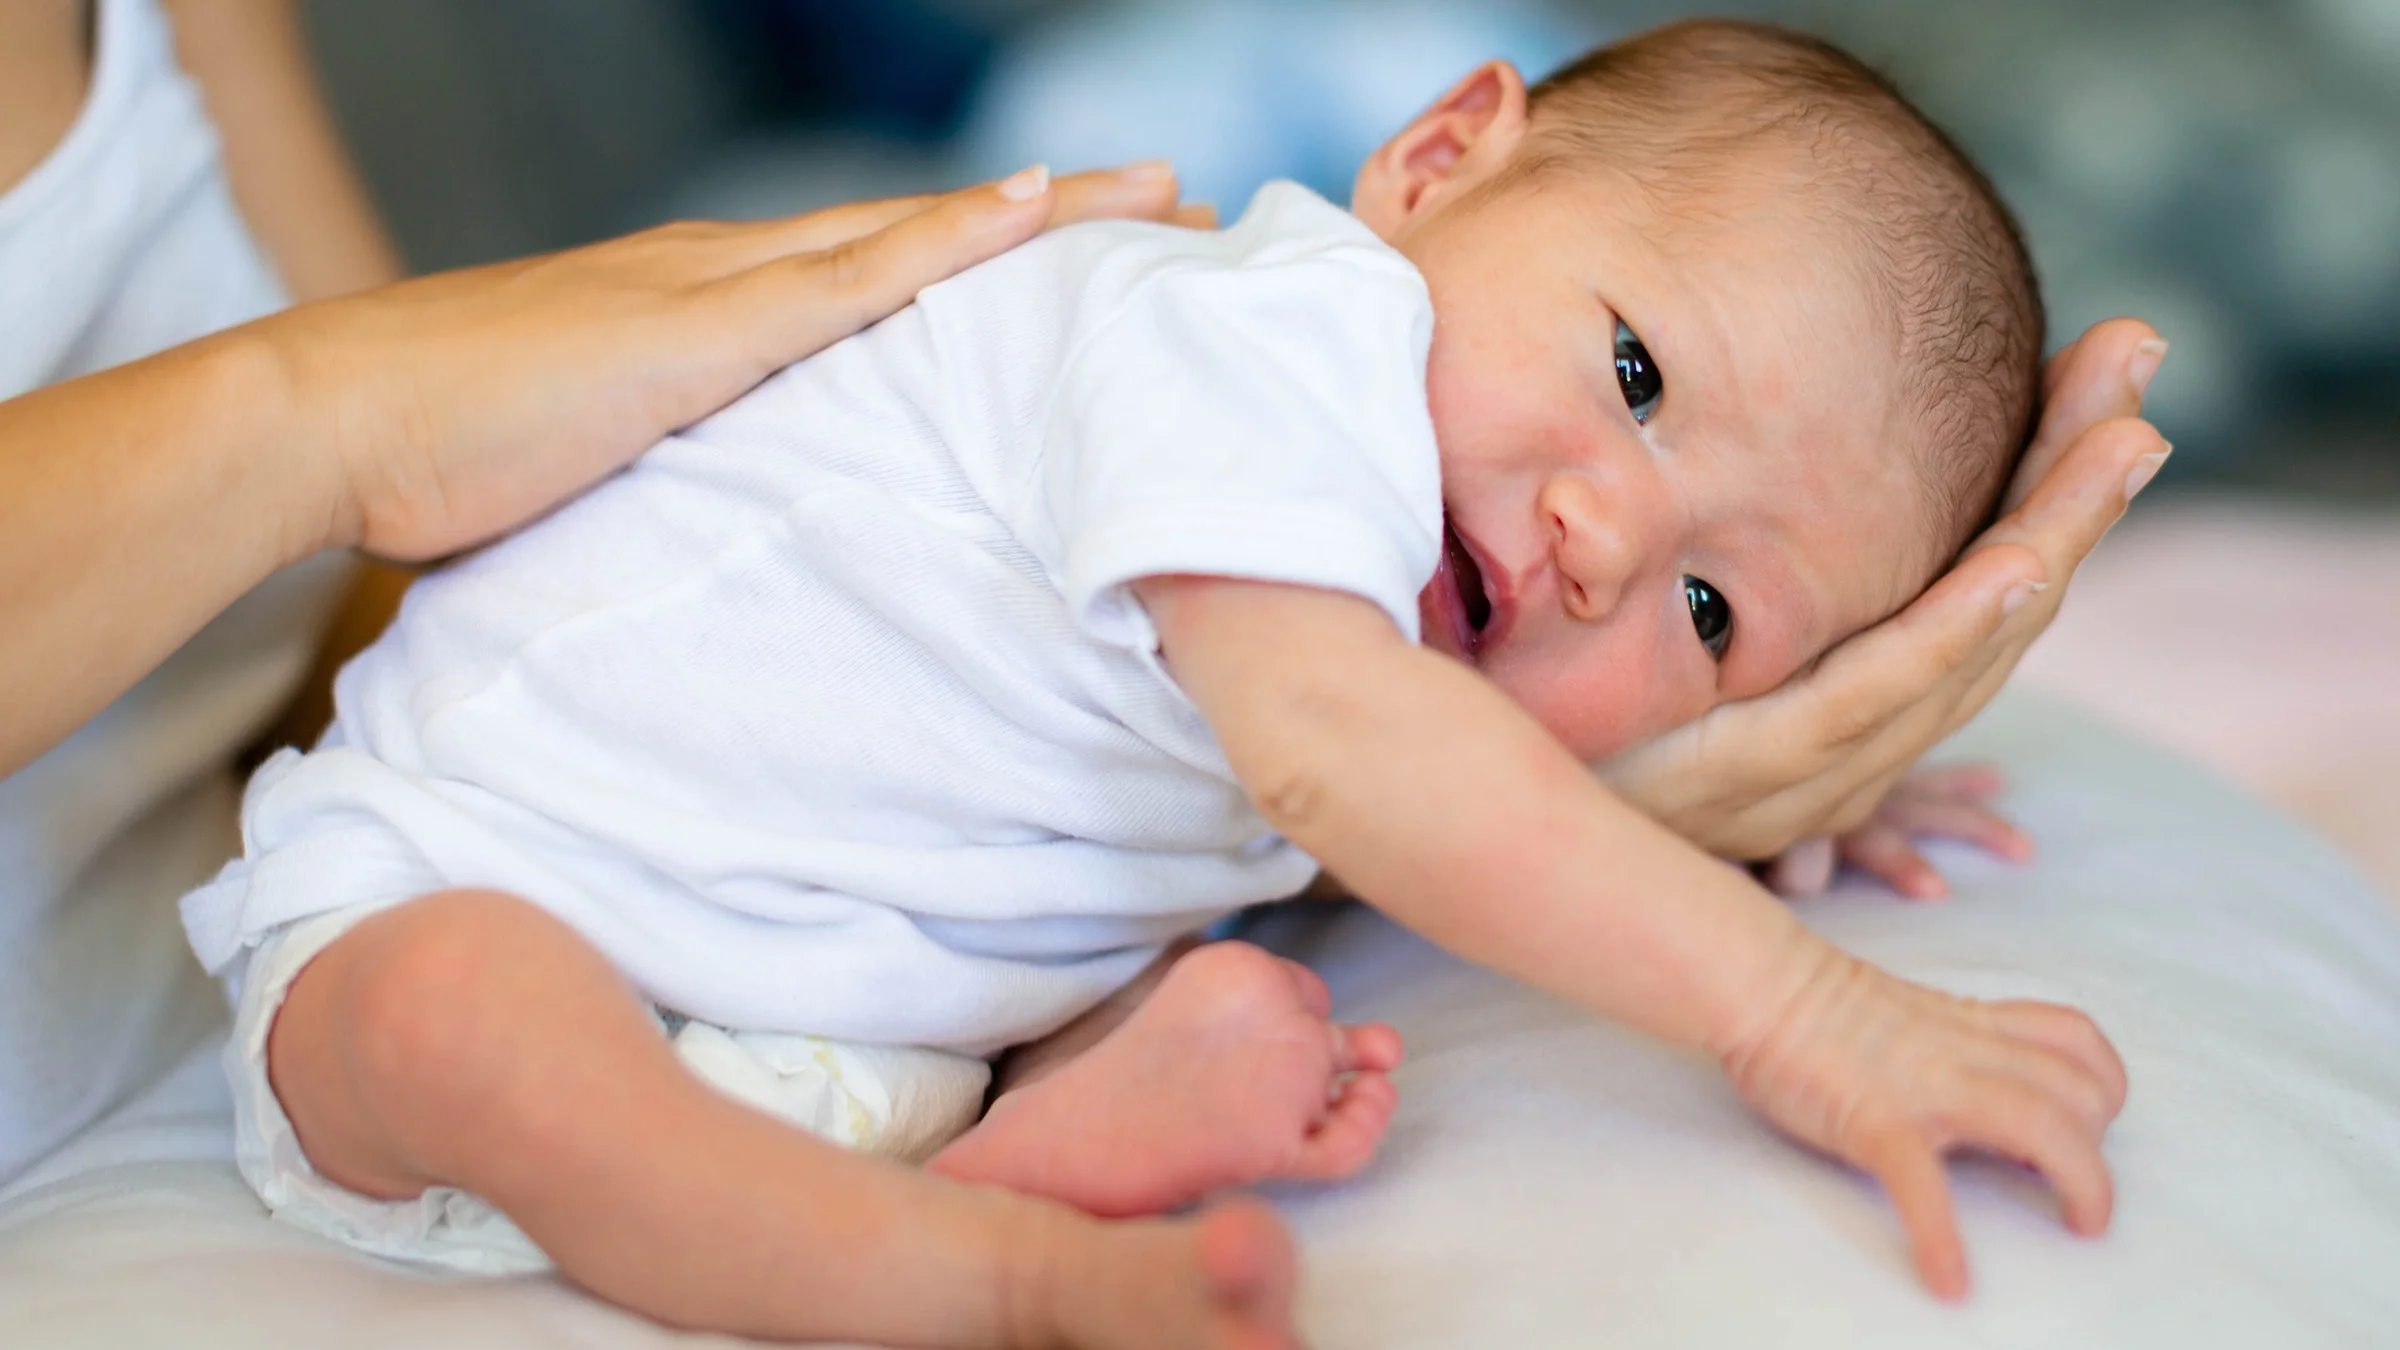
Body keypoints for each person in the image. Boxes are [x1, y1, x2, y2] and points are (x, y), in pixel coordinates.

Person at [177, 19, 2172, 1347]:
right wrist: (1801, 1010)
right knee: (456, 1012)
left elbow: (1451, 783)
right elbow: (1356, 759)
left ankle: (997, 1149)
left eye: (1720, 611)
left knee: (1179, 989)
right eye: (1636, 372)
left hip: (843, 1030)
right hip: (473, 876)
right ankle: (986, 1274)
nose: (1606, 536)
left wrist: (1789, 792)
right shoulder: (1260, 337)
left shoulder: (1391, 637)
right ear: (1440, 161)